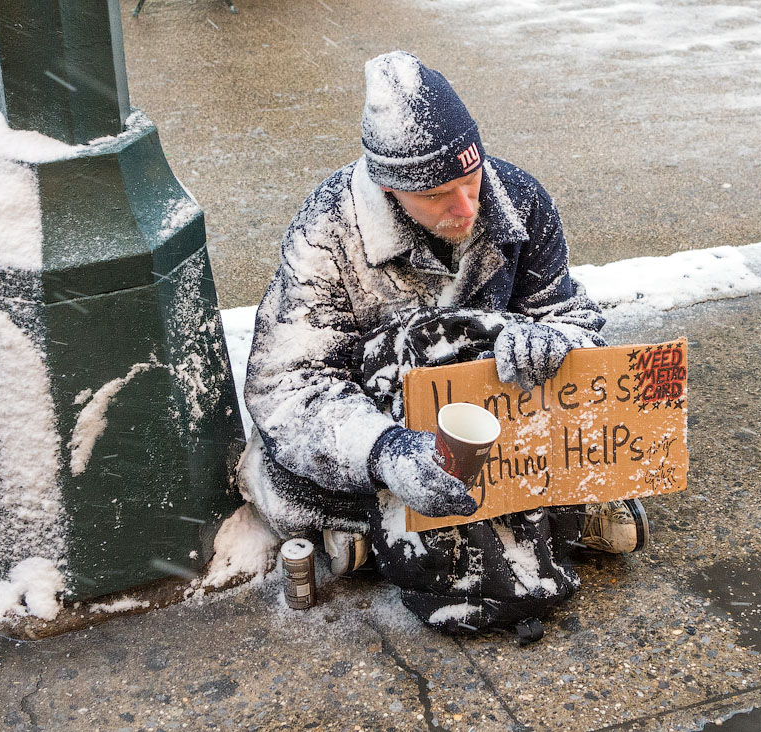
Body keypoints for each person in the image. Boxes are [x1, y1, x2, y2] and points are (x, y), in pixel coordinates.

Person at [238, 51, 649, 635]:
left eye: (470, 179)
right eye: (437, 194)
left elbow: (570, 313)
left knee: (582, 423)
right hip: (382, 413)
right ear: (389, 188)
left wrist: (551, 339)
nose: (466, 207)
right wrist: (384, 452)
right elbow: (285, 385)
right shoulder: (327, 231)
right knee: (291, 471)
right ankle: (384, 525)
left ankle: (392, 540)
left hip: (496, 415)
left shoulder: (520, 200)